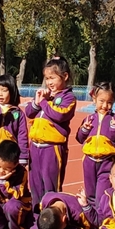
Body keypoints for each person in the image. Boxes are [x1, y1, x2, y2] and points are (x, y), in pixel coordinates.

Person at [25, 57, 77, 205]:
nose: (49, 82)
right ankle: (36, 216)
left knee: (51, 186)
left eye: (52, 78)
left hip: (52, 148)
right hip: (35, 147)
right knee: (35, 185)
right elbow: (29, 112)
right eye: (47, 78)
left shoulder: (68, 98)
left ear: (65, 76)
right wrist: (37, 102)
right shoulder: (46, 96)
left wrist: (44, 102)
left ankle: (52, 216)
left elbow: (59, 115)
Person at [76, 82, 115, 206]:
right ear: (94, 99)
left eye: (109, 102)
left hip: (107, 162)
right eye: (101, 101)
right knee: (90, 193)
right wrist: (84, 129)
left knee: (102, 194)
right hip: (89, 161)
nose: (105, 105)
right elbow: (79, 138)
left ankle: (101, 215)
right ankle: (90, 214)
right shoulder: (89, 119)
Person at [0, 74, 29, 167]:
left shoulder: (18, 113)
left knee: (7, 174)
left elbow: (22, 135)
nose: (0, 94)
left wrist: (23, 156)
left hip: (8, 153)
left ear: (12, 91)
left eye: (4, 90)